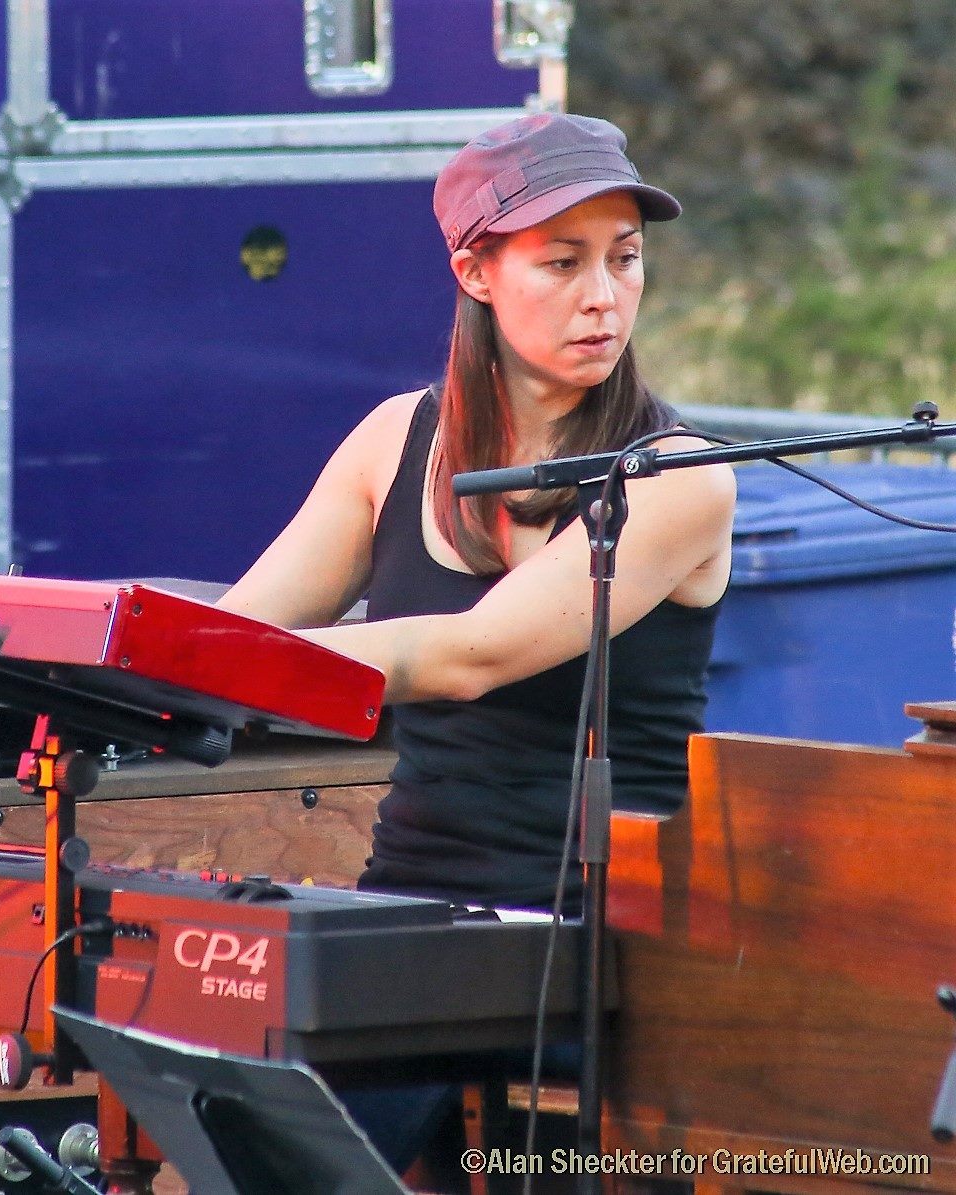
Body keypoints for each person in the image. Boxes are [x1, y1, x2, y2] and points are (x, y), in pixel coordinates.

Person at [219, 111, 734, 919]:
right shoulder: (395, 438)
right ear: (475, 273)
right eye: (563, 263)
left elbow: (469, 656)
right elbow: (238, 627)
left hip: (608, 930)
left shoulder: (679, 473)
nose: (603, 297)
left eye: (625, 259)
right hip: (407, 902)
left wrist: (224, 662)